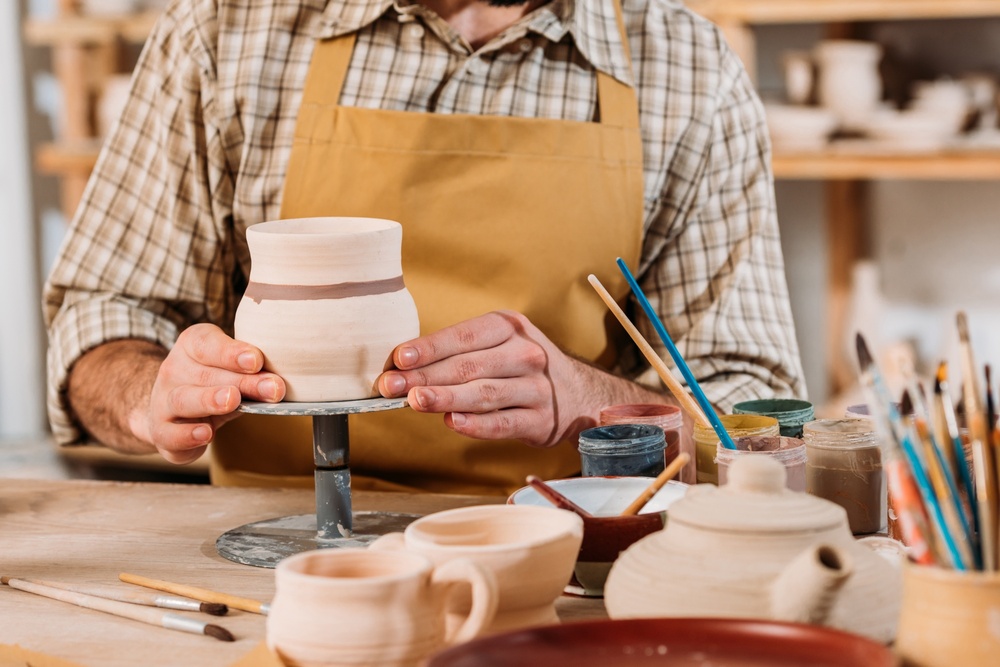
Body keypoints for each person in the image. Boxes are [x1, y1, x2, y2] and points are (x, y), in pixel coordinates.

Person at [43, 0, 806, 495]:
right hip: (277, 564)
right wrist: (150, 396)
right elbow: (101, 318)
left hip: (566, 558)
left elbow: (759, 415)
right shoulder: (225, 32)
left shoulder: (687, 69)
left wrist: (590, 403)